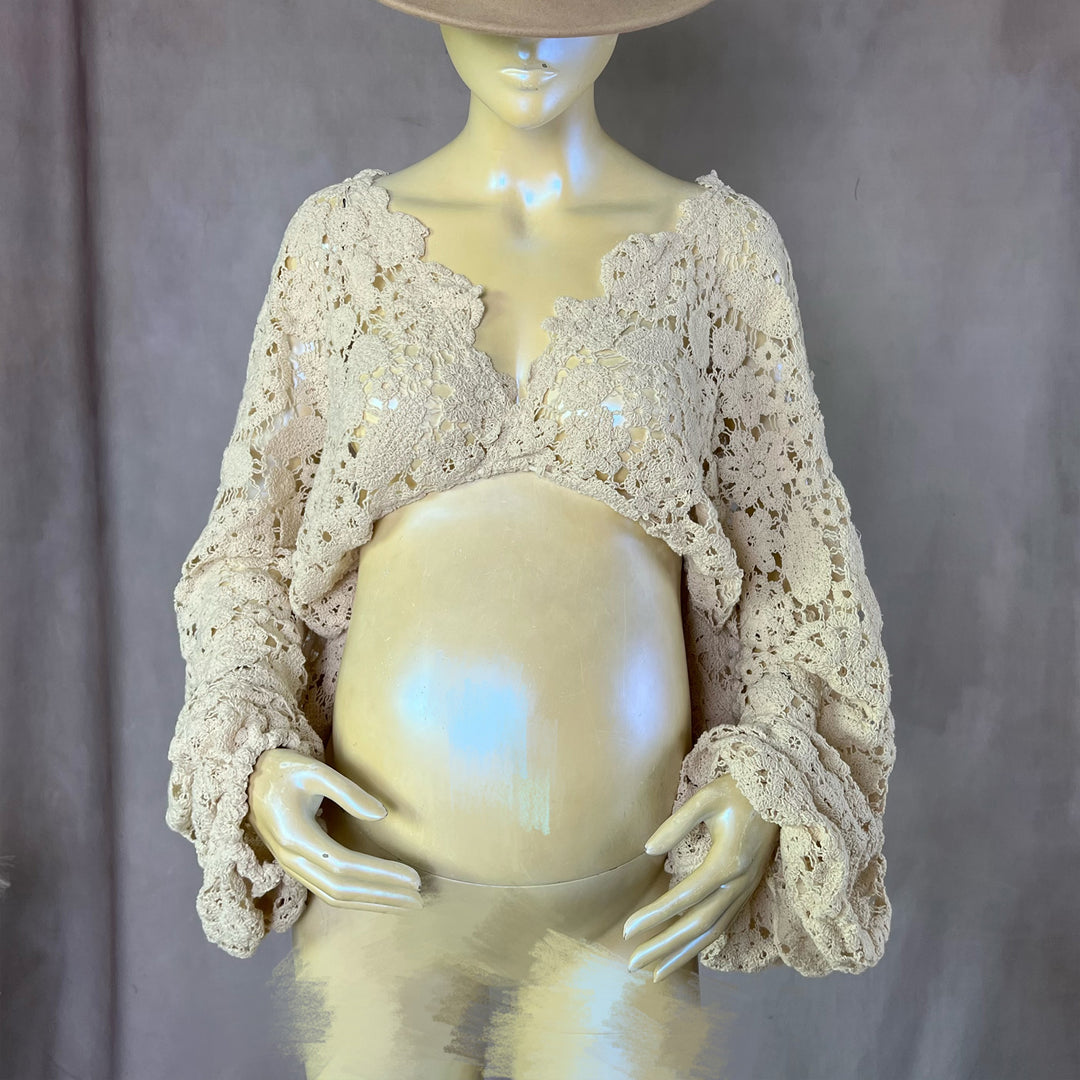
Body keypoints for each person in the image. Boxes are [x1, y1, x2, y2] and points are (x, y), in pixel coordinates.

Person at [166, 3, 895, 1076]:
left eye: (565, 8)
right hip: (380, 901)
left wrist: (768, 774)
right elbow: (245, 554)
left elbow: (800, 570)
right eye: (493, 9)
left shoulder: (720, 253)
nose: (529, 38)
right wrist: (255, 749)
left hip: (621, 915)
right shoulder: (336, 246)